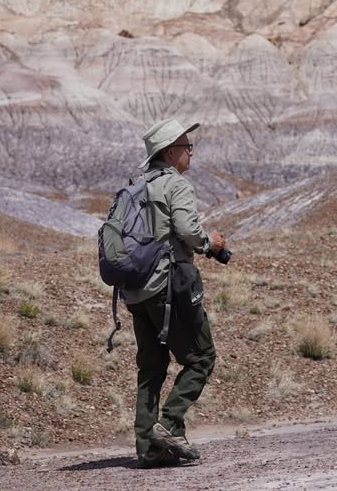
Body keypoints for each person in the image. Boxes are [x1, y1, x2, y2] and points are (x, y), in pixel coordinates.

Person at [122, 118, 227, 468]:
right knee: (202, 357)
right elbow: (188, 230)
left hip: (135, 290)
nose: (191, 152)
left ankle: (148, 447)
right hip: (167, 286)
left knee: (151, 366)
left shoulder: (137, 186)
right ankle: (167, 427)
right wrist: (212, 243)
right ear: (170, 152)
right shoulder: (175, 184)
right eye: (186, 146)